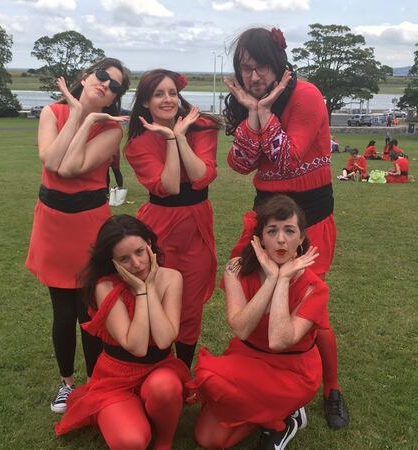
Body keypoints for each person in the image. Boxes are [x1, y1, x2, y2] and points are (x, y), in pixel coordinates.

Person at [222, 27, 348, 429]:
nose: (253, 77)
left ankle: (331, 388)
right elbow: (240, 164)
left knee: (311, 306)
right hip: (266, 216)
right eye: (245, 68)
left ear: (279, 66)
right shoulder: (250, 101)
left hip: (310, 218)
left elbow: (288, 158)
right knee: (256, 288)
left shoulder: (307, 96)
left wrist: (262, 113)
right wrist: (254, 112)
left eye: (260, 67)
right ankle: (270, 381)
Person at [25, 57, 131, 413]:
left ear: (115, 98)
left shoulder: (112, 129)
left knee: (90, 311)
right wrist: (76, 112)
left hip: (88, 223)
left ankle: (96, 383)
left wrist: (89, 118)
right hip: (53, 222)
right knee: (62, 310)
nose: (106, 85)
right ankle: (67, 384)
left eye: (115, 86)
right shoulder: (51, 112)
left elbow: (69, 168)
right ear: (86, 76)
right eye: (102, 76)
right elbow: (50, 160)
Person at [189, 195, 326, 449]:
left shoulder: (314, 288)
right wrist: (271, 280)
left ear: (301, 237)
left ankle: (287, 414)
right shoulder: (236, 269)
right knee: (208, 439)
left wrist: (284, 280)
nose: (281, 239)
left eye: (289, 231)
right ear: (260, 238)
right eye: (272, 231)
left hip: (292, 372)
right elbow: (241, 328)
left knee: (211, 376)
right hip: (248, 356)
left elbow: (279, 340)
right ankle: (273, 414)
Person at [54, 215, 190, 449]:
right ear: (112, 262)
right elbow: (136, 346)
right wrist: (141, 291)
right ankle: (128, 412)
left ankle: (164, 442)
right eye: (124, 259)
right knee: (132, 441)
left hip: (160, 368)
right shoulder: (104, 286)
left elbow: (165, 338)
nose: (137, 264)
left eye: (139, 251)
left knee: (165, 388)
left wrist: (150, 286)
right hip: (115, 376)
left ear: (149, 245)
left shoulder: (171, 278)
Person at [124, 69, 221, 367]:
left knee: (190, 305)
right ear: (144, 103)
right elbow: (167, 186)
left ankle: (183, 369)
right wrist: (169, 139)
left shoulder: (202, 127)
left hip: (196, 226)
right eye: (158, 94)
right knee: (155, 293)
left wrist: (179, 137)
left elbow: (200, 177)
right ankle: (157, 365)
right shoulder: (137, 144)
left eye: (172, 93)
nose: (167, 99)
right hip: (159, 226)